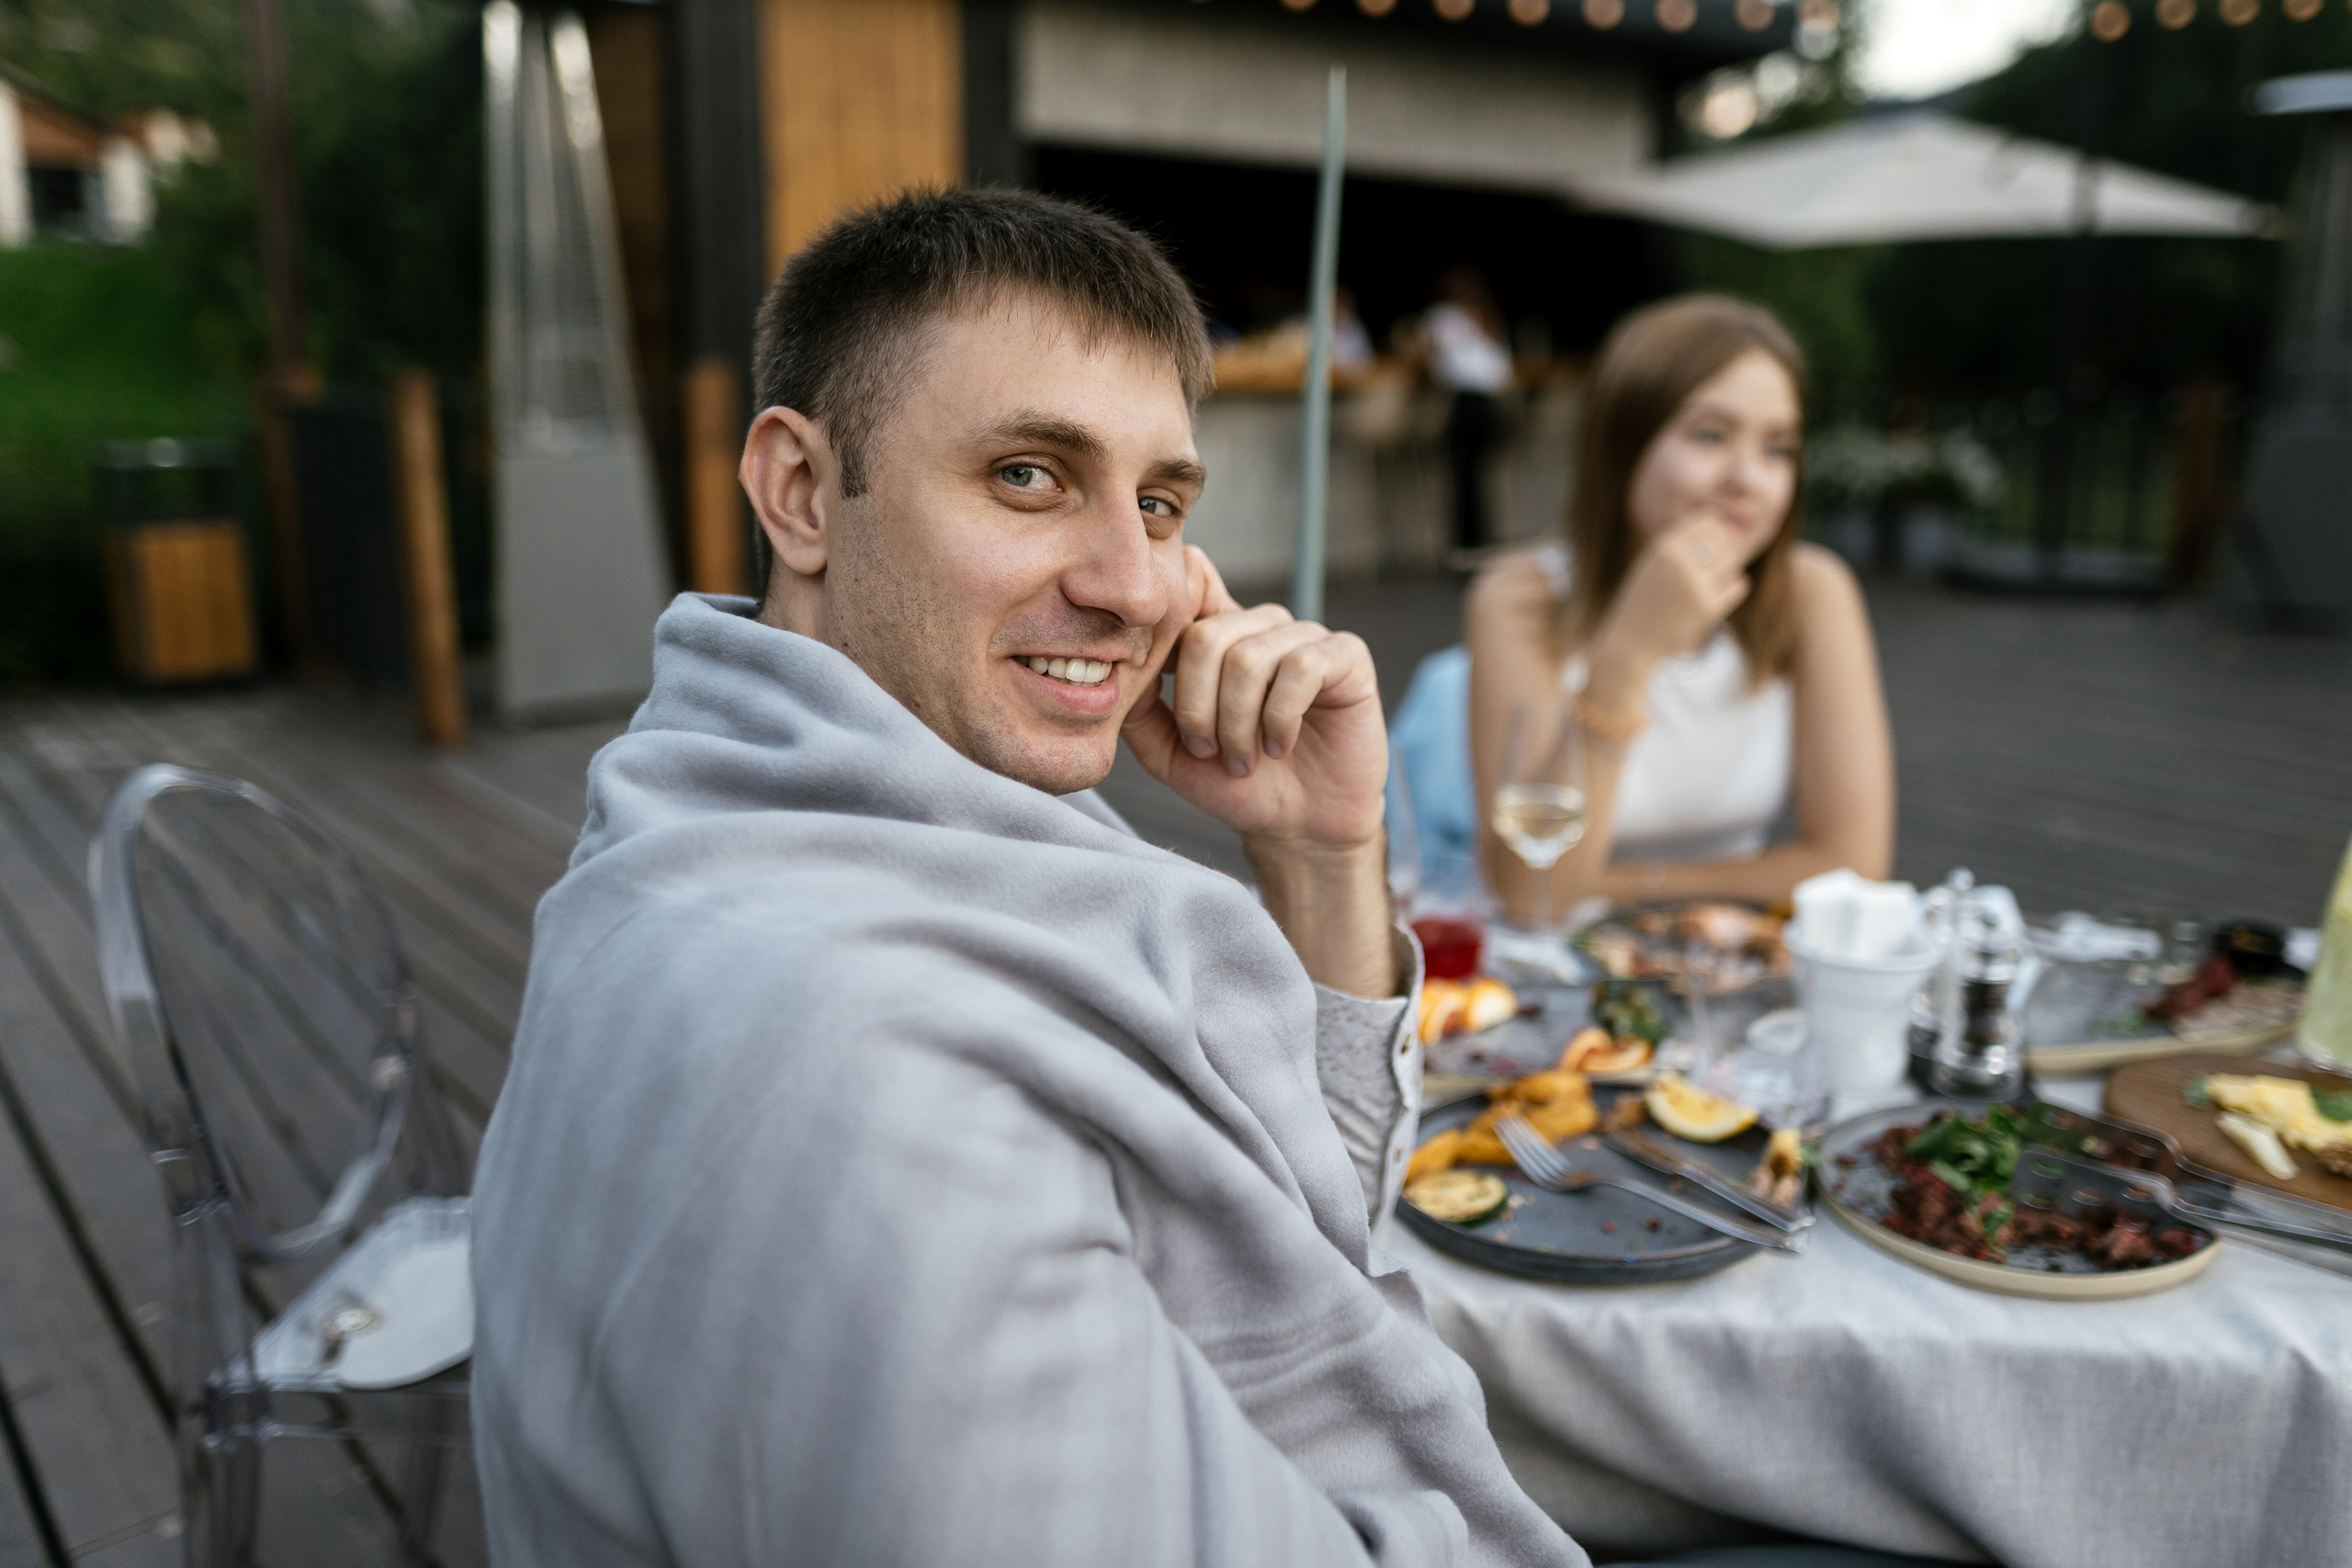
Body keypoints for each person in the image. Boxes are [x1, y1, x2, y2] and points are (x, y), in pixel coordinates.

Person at [470, 193, 1952, 1568]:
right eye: (1030, 475)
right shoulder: (885, 1084)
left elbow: (1281, 1220)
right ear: (801, 490)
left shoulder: (700, 820)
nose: (1131, 582)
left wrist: (1320, 858)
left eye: (1164, 503)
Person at [1462, 294, 1894, 920]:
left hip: (1721, 955)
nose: (1748, 477)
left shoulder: (1811, 591)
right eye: (1711, 435)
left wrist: (1613, 885)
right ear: (1623, 445)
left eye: (1778, 448)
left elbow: (1853, 863)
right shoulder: (1521, 597)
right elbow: (1534, 892)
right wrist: (1631, 651)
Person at [1425, 265, 1513, 558]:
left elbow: (1440, 366)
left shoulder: (1443, 319)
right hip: (1490, 405)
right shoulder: (1487, 318)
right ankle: (1481, 544)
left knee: (1463, 477)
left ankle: (1465, 547)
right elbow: (1503, 371)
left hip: (1465, 403)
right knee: (1477, 477)